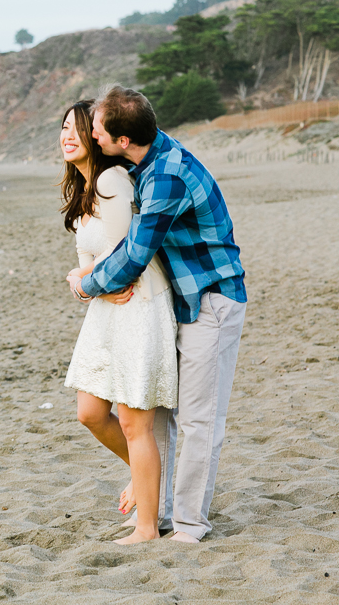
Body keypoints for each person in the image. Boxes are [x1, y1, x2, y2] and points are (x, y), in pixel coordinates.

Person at [70, 85, 247, 544]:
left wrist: (86, 283)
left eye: (97, 129)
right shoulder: (147, 154)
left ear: (123, 140)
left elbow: (134, 254)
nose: (91, 132)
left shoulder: (166, 175)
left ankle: (189, 525)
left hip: (210, 298)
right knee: (161, 414)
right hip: (178, 300)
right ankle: (159, 513)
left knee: (198, 420)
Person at [59, 100, 178, 545]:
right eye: (64, 128)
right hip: (106, 308)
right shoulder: (84, 188)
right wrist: (86, 281)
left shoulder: (112, 179)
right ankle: (147, 482)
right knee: (90, 413)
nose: (67, 135)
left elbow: (126, 255)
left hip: (137, 305)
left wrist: (86, 280)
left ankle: (147, 525)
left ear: (96, 135)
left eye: (76, 128)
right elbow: (87, 263)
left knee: (134, 423)